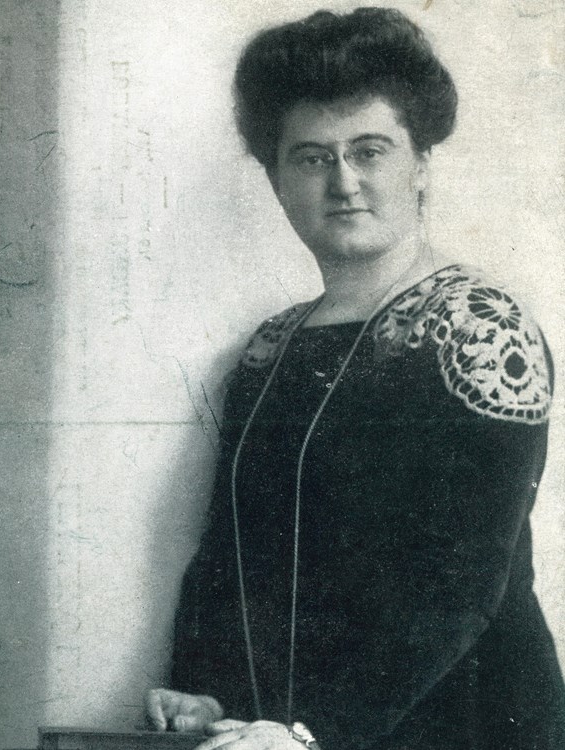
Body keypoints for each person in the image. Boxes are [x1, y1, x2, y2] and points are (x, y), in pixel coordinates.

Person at [146, 8, 565, 749]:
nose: (343, 182)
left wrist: (314, 731)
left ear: (422, 163)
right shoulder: (269, 350)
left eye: (370, 151)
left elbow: (458, 586)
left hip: (468, 726)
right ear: (276, 181)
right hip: (283, 734)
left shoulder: (481, 330)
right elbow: (232, 554)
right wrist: (207, 688)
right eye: (311, 158)